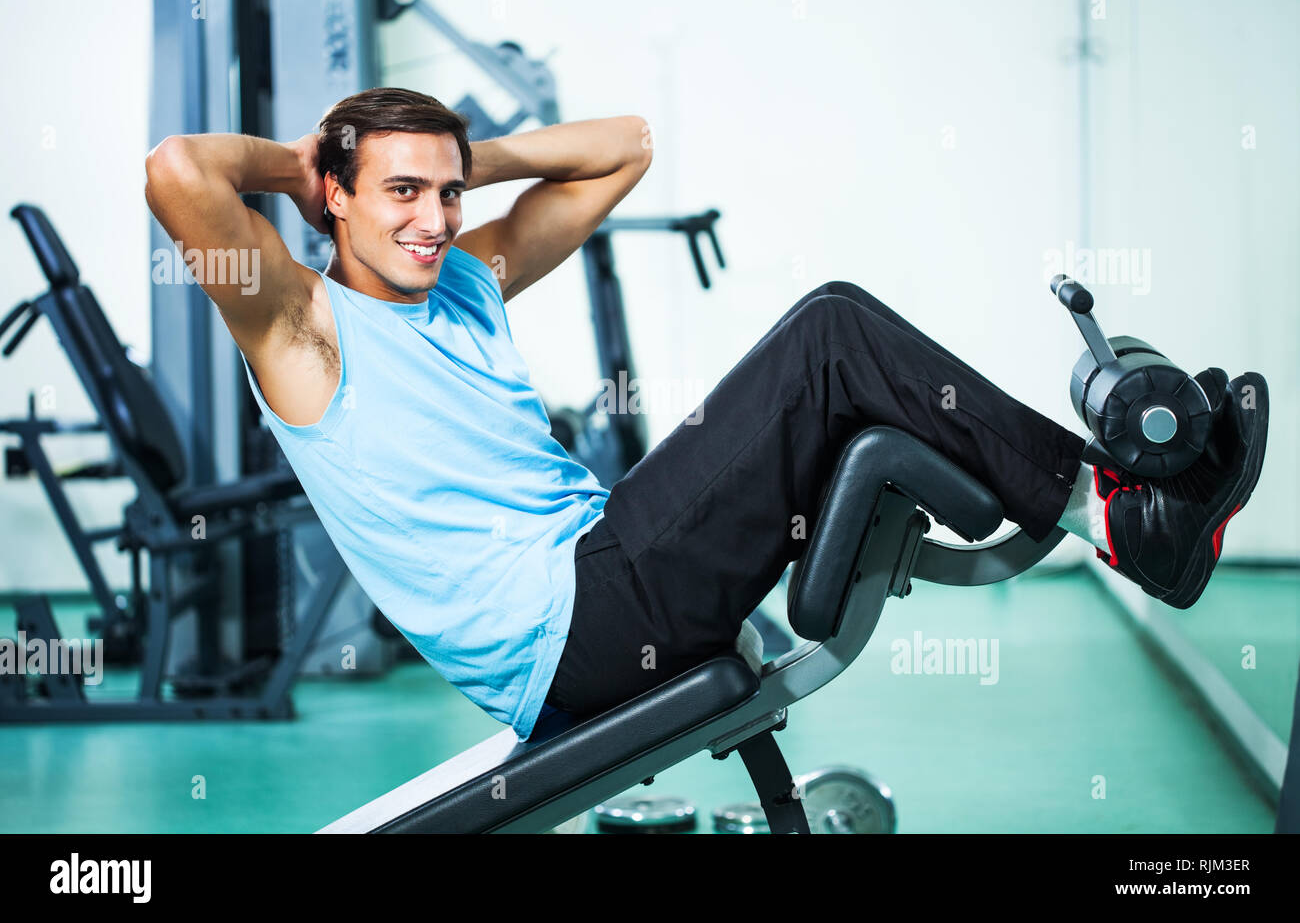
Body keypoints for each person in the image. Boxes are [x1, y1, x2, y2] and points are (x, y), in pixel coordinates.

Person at [144, 87, 1270, 742]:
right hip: (571, 626)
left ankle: (1125, 502)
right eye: (401, 193)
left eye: (447, 193)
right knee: (830, 333)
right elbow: (176, 171)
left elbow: (622, 145)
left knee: (835, 357)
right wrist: (302, 163)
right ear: (335, 199)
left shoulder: (465, 277)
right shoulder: (302, 330)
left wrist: (447, 157)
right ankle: (1123, 518)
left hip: (604, 558)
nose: (435, 218)